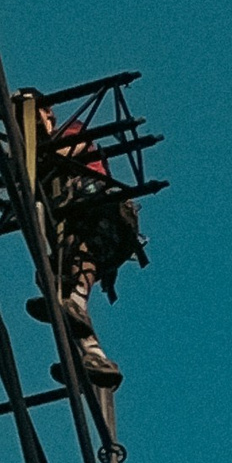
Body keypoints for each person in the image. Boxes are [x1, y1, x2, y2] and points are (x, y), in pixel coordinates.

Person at [23, 100, 145, 391]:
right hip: (77, 226)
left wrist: (28, 157)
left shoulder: (70, 130)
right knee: (52, 276)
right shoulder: (35, 164)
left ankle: (75, 306)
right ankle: (92, 355)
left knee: (78, 252)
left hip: (103, 211)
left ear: (47, 112)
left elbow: (68, 151)